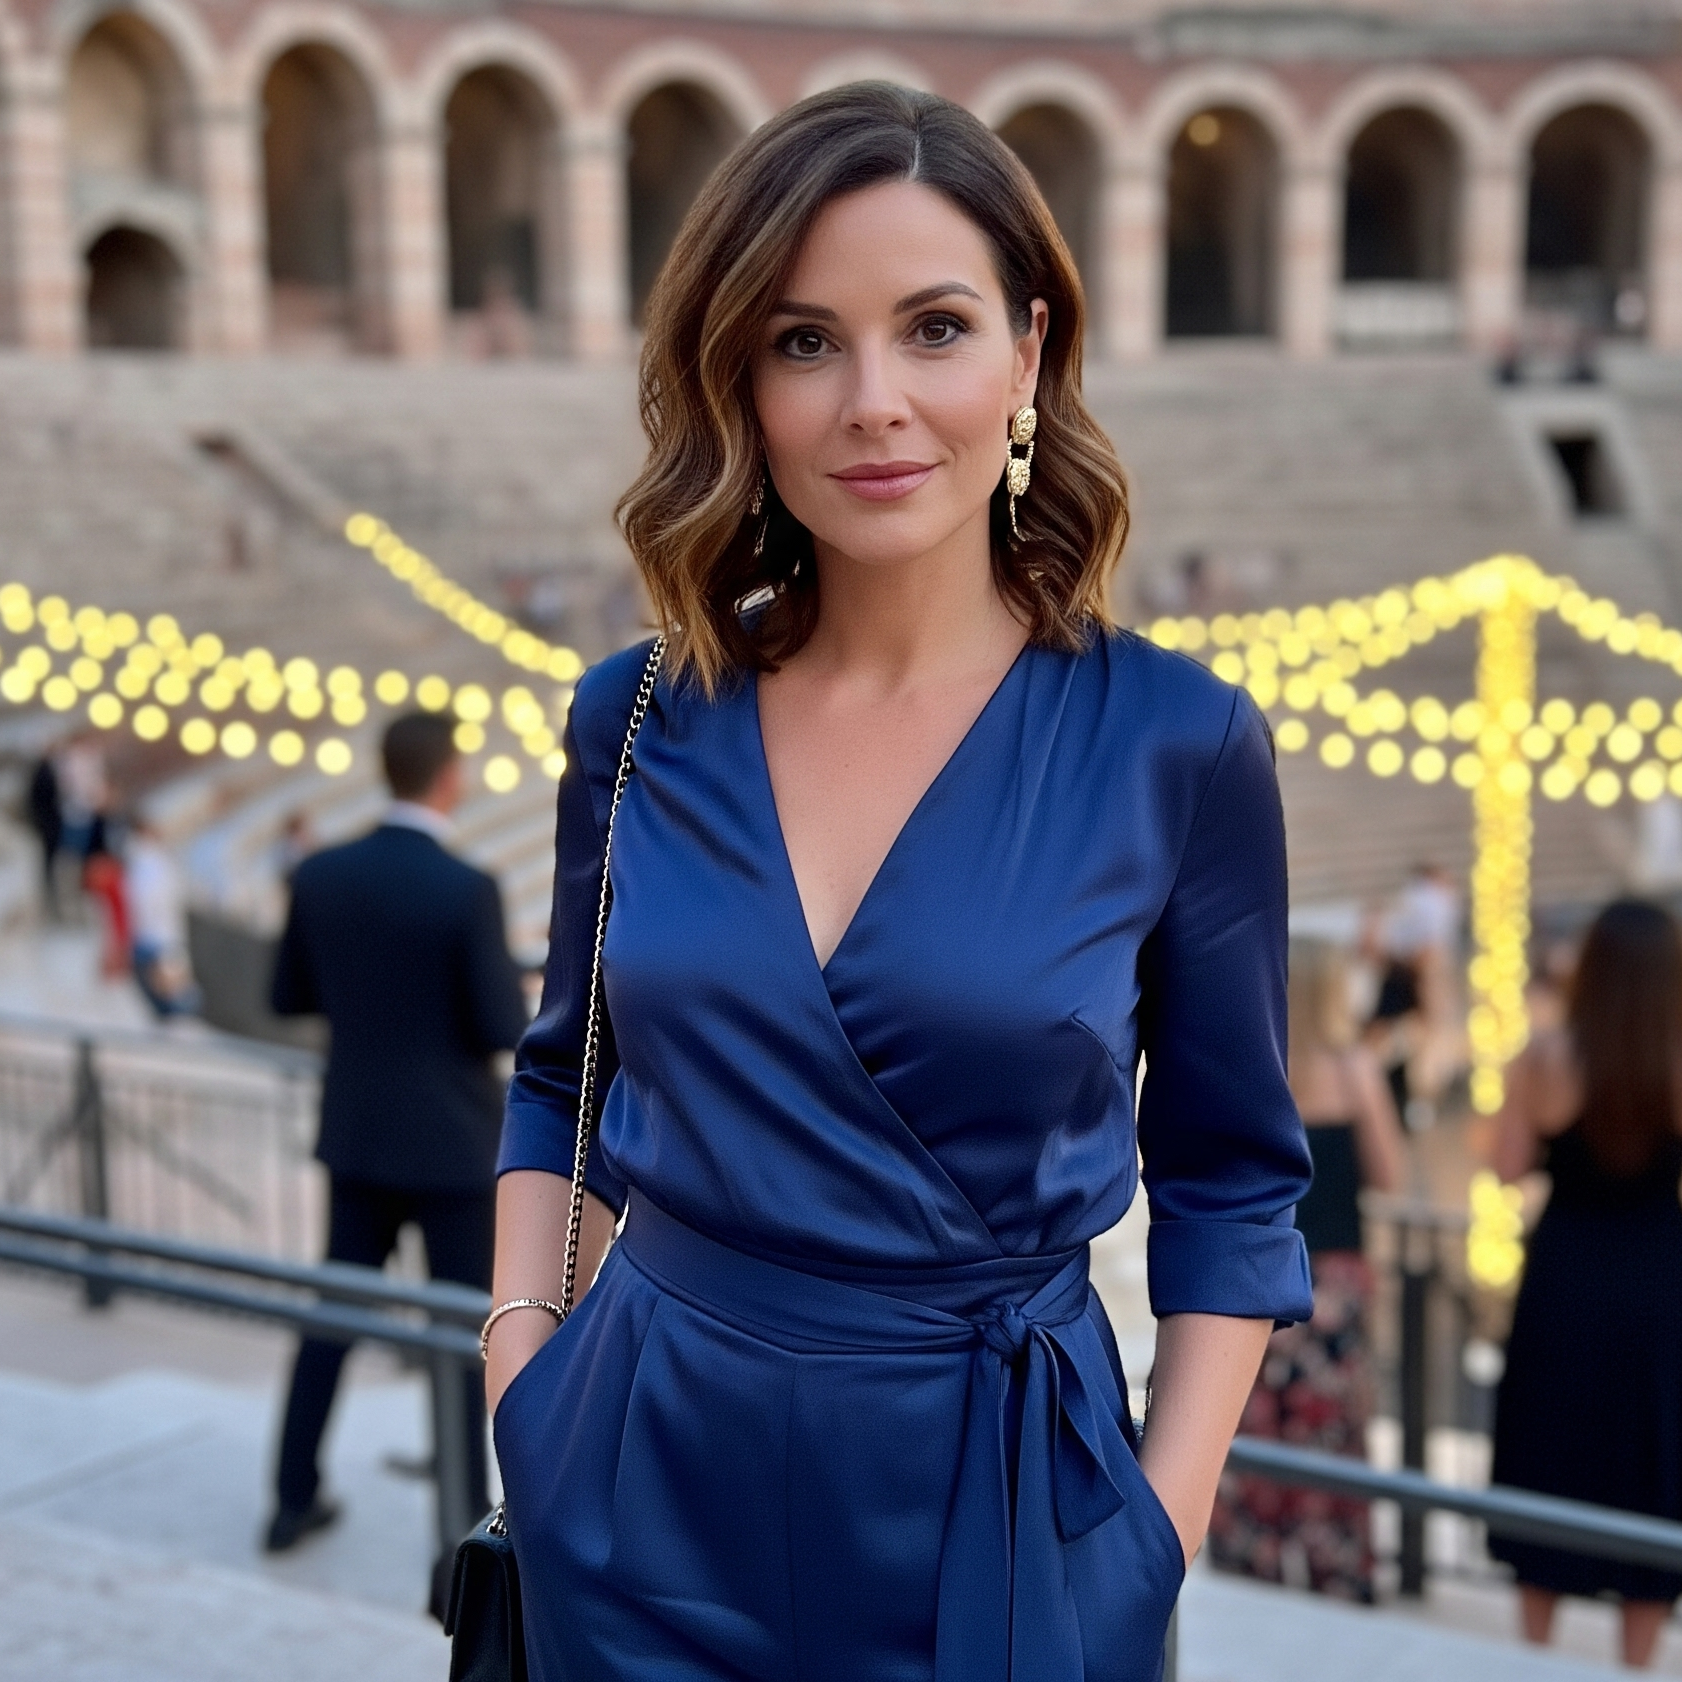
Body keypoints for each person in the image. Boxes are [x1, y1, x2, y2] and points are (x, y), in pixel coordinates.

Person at [485, 85, 1313, 1682]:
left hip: (1004, 1513)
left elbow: (1232, 1175)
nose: (872, 400)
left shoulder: (1178, 743)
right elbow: (559, 1073)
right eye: (804, 341)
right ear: (740, 380)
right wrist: (520, 1361)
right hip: (634, 1478)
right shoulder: (637, 711)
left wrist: (1158, 1528)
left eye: (931, 328)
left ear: (1028, 352)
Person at [265, 711, 527, 1556]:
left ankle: (289, 1495)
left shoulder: (322, 874)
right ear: (447, 776)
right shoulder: (467, 888)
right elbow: (499, 1024)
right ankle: (458, 1532)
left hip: (359, 1133)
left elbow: (285, 995)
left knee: (332, 1316)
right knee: (461, 1333)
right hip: (451, 1144)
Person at [1490, 898, 1682, 1669]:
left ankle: (1535, 1659)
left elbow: (1504, 1167)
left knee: (1551, 1453)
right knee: (1650, 1457)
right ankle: (1635, 1666)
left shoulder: (1543, 1056)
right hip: (1657, 1283)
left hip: (1564, 1279)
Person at [1207, 937, 1406, 1601]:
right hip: (1337, 1286)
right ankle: (1335, 1568)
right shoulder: (1356, 1070)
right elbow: (1391, 1176)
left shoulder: (1254, 1064)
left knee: (1255, 1424)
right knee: (1333, 1435)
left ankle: (1253, 1560)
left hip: (1261, 1272)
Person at [125, 814, 200, 1017]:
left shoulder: (150, 861)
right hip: (156, 935)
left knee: (169, 993)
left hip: (155, 934)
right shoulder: (151, 861)